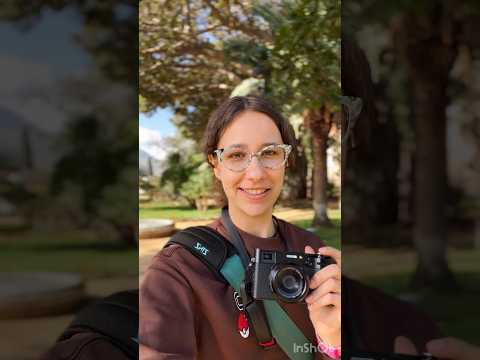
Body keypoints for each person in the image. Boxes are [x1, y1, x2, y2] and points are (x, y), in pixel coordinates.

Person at [139, 96, 341, 359]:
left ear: (286, 160)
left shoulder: (314, 251)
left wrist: (332, 341)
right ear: (216, 165)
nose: (255, 173)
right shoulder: (179, 267)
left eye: (269, 153)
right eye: (236, 155)